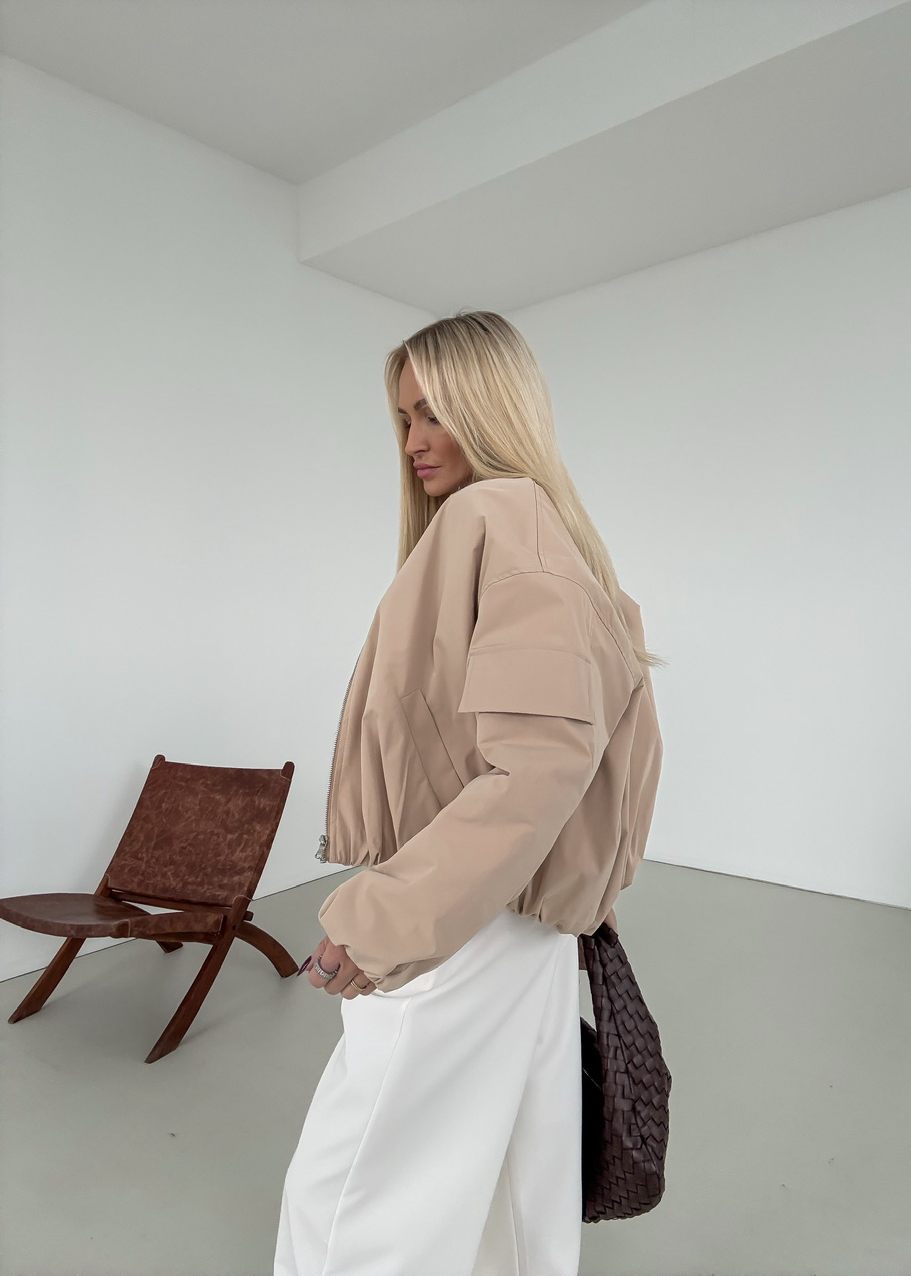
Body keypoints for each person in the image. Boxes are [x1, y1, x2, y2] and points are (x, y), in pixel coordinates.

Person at [273, 311, 664, 1276]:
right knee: (510, 1179)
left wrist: (382, 918)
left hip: (463, 920)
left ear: (493, 409)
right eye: (404, 417)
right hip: (508, 914)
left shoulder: (503, 525)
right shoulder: (537, 538)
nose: (413, 441)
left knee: (353, 1192)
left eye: (435, 412)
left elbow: (538, 766)